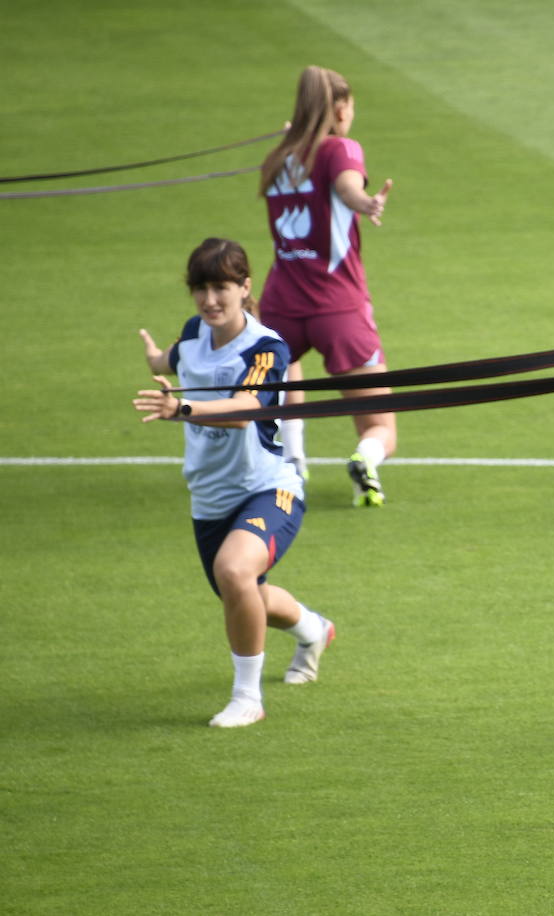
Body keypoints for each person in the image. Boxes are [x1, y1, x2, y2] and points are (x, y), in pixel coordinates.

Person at [134, 238, 336, 728]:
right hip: (210, 498)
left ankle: (247, 699)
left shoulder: (268, 348)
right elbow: (174, 360)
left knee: (234, 570)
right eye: (201, 289)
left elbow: (246, 411)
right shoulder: (193, 334)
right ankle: (314, 628)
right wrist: (156, 360)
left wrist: (182, 407)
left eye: (221, 287)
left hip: (270, 488)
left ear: (245, 288)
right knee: (246, 594)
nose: (210, 300)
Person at [258, 65, 397, 507]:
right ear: (340, 109)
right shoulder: (341, 148)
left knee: (286, 365)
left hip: (281, 306)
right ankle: (365, 460)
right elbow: (348, 186)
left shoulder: (278, 156)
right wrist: (367, 203)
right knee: (380, 425)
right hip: (339, 308)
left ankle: (294, 459)